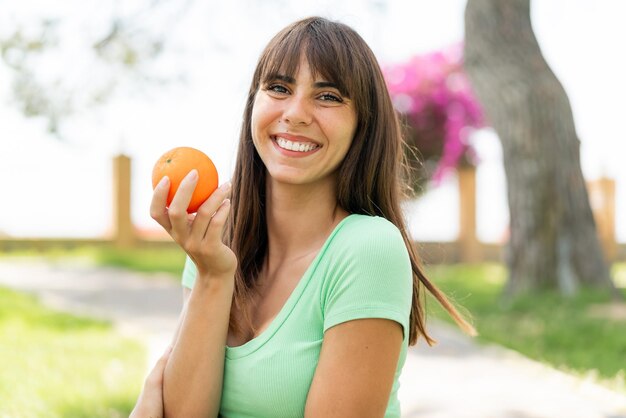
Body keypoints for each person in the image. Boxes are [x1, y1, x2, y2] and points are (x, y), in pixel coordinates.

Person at [138, 15, 476, 418]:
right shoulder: (215, 243)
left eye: (328, 95)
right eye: (278, 88)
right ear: (253, 105)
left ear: (361, 125)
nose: (295, 113)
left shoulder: (367, 249)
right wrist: (212, 275)